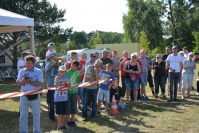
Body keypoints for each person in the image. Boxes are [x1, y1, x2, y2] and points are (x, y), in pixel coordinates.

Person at [16, 55, 43, 133]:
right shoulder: (22, 71)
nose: (27, 65)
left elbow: (40, 84)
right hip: (24, 96)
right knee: (23, 115)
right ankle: (23, 131)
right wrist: (23, 80)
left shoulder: (39, 71)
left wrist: (29, 82)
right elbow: (18, 84)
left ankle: (37, 131)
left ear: (33, 63)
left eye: (29, 63)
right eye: (26, 63)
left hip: (35, 96)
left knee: (36, 115)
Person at [54, 65, 71, 130]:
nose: (61, 73)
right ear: (58, 72)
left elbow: (69, 86)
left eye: (63, 72)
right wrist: (58, 78)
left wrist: (66, 83)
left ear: (65, 72)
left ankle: (62, 125)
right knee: (59, 113)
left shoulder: (67, 77)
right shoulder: (56, 78)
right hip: (58, 99)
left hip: (65, 98)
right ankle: (59, 126)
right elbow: (56, 87)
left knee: (63, 112)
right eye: (60, 71)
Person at [45, 42, 59, 122]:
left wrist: (58, 62)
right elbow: (47, 69)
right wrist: (51, 63)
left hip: (57, 87)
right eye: (53, 59)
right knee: (51, 104)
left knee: (57, 102)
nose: (54, 60)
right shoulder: (48, 64)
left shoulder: (57, 67)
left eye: (55, 59)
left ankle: (58, 115)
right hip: (50, 87)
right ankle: (51, 117)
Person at [65, 60, 80, 127]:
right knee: (68, 106)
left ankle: (73, 120)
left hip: (74, 92)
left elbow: (78, 82)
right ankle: (68, 121)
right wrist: (68, 85)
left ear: (77, 67)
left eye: (75, 66)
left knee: (74, 106)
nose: (73, 67)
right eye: (72, 65)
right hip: (67, 92)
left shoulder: (78, 73)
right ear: (70, 64)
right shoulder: (66, 72)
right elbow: (64, 81)